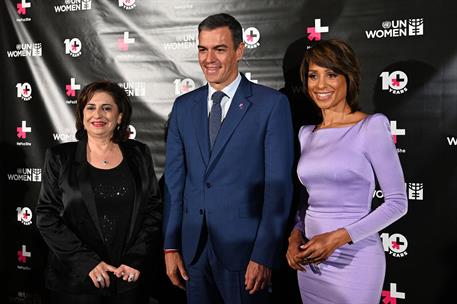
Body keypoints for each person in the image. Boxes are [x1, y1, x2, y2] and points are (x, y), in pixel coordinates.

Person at [163, 13, 294, 304]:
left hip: (246, 254)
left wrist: (263, 254)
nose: (209, 58)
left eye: (219, 49)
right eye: (202, 49)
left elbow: (278, 188)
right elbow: (175, 183)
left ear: (239, 50)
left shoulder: (271, 105)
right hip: (194, 253)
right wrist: (170, 245)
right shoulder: (184, 106)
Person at [285, 39, 408, 304]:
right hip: (311, 262)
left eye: (331, 74)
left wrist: (337, 239)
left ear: (348, 78)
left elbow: (398, 203)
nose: (320, 85)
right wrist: (295, 235)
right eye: (313, 75)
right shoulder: (306, 134)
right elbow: (308, 199)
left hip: (355, 260)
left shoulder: (371, 127)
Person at [36, 80, 162, 304]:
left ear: (120, 117)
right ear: (82, 115)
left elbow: (153, 210)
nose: (98, 115)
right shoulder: (59, 157)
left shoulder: (139, 154)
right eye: (91, 107)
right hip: (76, 282)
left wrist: (135, 259)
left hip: (127, 278)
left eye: (107, 108)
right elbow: (47, 217)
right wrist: (87, 263)